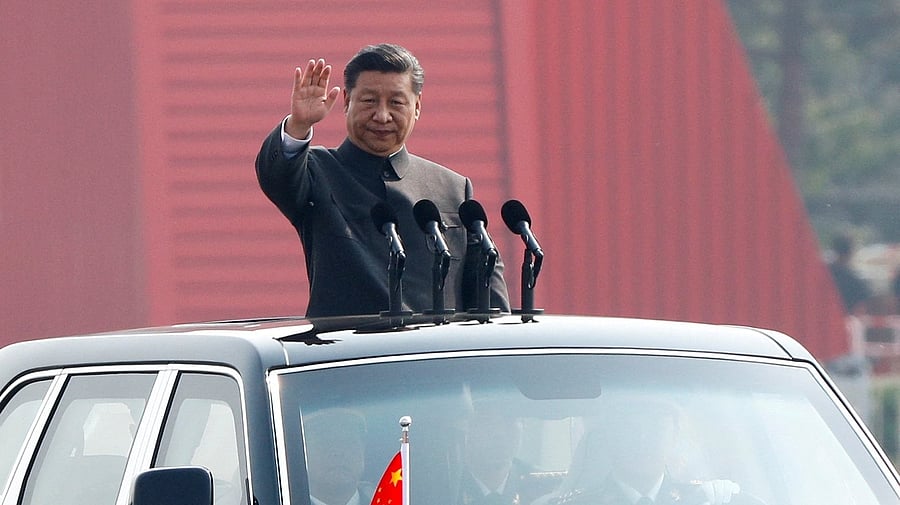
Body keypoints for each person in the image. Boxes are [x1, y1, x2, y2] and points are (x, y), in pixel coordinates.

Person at [256, 43, 510, 317]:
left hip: (435, 355)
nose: (382, 115)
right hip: (348, 354)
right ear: (346, 102)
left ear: (417, 107)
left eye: (396, 102)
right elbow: (278, 175)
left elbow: (487, 295)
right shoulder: (317, 171)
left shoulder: (452, 188)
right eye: (369, 101)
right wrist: (299, 125)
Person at [554, 399, 741, 505]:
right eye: (630, 430)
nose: (642, 441)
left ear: (674, 436)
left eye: (656, 429)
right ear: (610, 436)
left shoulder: (706, 500)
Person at [303, 408, 372, 505]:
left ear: (363, 447)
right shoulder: (279, 498)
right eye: (325, 441)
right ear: (302, 449)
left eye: (347, 440)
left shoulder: (394, 500)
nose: (338, 452)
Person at [828, 234, 871, 314]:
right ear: (851, 252)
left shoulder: (823, 275)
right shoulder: (855, 281)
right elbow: (861, 308)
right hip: (845, 321)